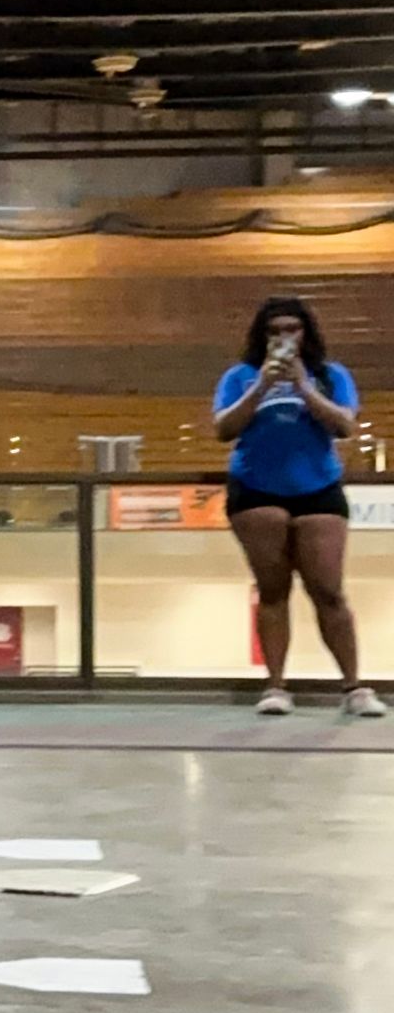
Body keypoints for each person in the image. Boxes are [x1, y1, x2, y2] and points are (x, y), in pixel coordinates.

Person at [213, 295, 384, 719]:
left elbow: (344, 425)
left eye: (292, 329)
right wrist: (262, 387)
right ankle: (275, 686)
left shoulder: (331, 374)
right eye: (275, 330)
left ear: (306, 333)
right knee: (273, 590)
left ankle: (354, 686)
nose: (284, 337)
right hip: (256, 487)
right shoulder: (240, 376)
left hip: (318, 487)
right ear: (262, 336)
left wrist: (304, 386)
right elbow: (224, 429)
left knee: (328, 590)